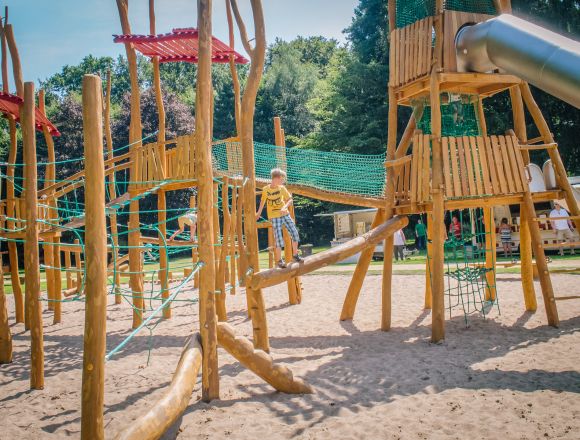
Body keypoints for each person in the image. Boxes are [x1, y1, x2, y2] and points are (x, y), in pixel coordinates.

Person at [256, 168, 303, 268]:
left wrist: (285, 207)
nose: (282, 181)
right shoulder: (266, 189)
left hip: (285, 214)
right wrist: (258, 213)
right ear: (276, 178)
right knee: (278, 239)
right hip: (274, 216)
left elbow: (290, 200)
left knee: (294, 233)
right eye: (281, 179)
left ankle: (295, 255)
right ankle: (280, 261)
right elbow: (262, 202)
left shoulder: (281, 188)